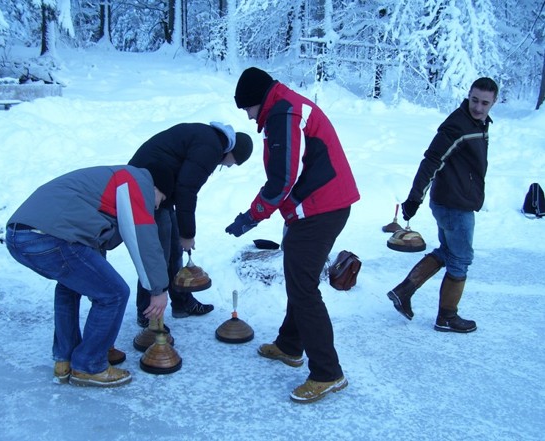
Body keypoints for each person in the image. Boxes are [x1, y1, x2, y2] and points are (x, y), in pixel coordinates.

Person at [227, 67, 360, 403]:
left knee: (303, 287)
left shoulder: (284, 113)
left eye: (246, 108)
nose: (247, 115)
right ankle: (289, 345)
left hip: (322, 208)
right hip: (317, 205)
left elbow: (282, 180)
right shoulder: (283, 107)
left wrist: (251, 217)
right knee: (299, 279)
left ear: (257, 101)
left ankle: (328, 372)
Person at [5, 164, 174, 387]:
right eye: (160, 201)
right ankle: (88, 364)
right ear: (157, 188)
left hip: (20, 235)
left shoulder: (103, 183)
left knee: (70, 287)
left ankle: (64, 360)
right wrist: (158, 289)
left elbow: (93, 241)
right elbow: (143, 236)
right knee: (114, 294)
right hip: (50, 237)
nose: (154, 207)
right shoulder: (136, 181)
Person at [386, 77, 499, 333]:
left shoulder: (478, 124)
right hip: (453, 204)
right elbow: (431, 160)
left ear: (494, 102)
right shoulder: (457, 126)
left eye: (485, 103)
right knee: (461, 259)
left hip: (456, 200)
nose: (479, 107)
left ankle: (404, 290)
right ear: (468, 95)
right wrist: (415, 197)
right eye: (474, 100)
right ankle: (447, 317)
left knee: (448, 251)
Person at [128, 122, 253, 325]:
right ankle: (147, 314)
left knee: (174, 251)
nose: (229, 166)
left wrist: (183, 233)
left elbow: (182, 184)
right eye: (234, 162)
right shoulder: (211, 147)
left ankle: (182, 301)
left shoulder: (210, 141)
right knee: (157, 254)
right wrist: (187, 234)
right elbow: (187, 189)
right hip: (147, 188)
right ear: (232, 152)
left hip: (162, 188)